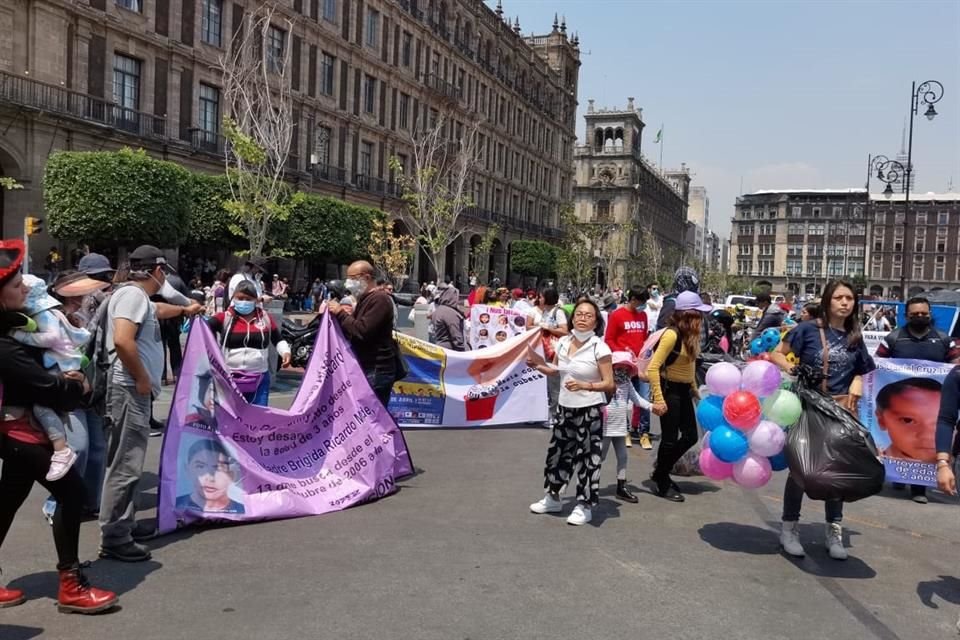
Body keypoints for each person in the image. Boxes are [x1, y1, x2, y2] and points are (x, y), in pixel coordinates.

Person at [0, 238, 118, 613]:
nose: (25, 288)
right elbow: (52, 389)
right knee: (72, 493)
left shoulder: (18, 329)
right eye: (17, 286)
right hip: (22, 431)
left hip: (20, 429)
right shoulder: (6, 342)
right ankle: (71, 585)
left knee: (6, 502)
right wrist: (74, 383)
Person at [99, 246, 204, 562]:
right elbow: (122, 339)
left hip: (132, 388)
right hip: (130, 388)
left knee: (127, 459)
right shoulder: (132, 297)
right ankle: (115, 536)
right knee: (126, 464)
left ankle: (124, 525)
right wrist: (143, 378)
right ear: (157, 271)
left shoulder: (136, 298)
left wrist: (185, 310)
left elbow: (156, 311)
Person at [769, 279, 875, 560]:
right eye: (839, 297)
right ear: (828, 300)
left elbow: (864, 370)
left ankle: (834, 531)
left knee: (836, 471)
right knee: (800, 470)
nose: (844, 303)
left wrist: (857, 383)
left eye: (850, 298)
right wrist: (795, 366)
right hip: (807, 409)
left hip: (840, 411)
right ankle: (789, 528)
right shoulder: (806, 329)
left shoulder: (855, 336)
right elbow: (776, 355)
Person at [526, 299, 615, 526]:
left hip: (590, 409)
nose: (583, 318)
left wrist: (586, 386)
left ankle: (584, 505)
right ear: (573, 317)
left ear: (596, 321)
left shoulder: (599, 347)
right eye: (579, 314)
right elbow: (556, 371)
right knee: (558, 454)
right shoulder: (563, 342)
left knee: (587, 458)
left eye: (588, 315)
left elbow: (609, 384)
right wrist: (537, 365)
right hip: (565, 408)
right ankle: (553, 496)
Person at [874, 296, 960, 503]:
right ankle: (897, 476)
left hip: (932, 401)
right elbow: (877, 364)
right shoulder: (893, 338)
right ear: (906, 316)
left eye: (924, 314)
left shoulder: (943, 339)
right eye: (915, 314)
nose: (920, 317)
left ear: (930, 315)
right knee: (906, 436)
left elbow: (956, 363)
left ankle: (918, 488)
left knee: (926, 439)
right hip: (902, 398)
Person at [10, 275, 96, 481]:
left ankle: (61, 449)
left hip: (61, 366)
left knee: (42, 407)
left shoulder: (44, 315)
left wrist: (20, 336)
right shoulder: (50, 313)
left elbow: (51, 337)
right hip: (62, 365)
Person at [648, 291, 711, 502]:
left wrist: (695, 391)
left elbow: (689, 367)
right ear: (688, 315)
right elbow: (653, 368)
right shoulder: (671, 335)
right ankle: (662, 479)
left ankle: (661, 471)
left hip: (683, 391)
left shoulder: (689, 337)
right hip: (669, 390)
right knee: (669, 439)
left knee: (690, 435)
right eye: (699, 315)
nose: (702, 319)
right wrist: (658, 398)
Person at [208, 280, 291, 406]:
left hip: (259, 379)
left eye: (248, 298)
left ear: (256, 300)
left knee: (258, 418)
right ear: (233, 298)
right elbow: (202, 329)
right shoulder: (224, 317)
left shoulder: (265, 318)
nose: (244, 302)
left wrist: (285, 352)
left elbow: (278, 339)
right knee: (230, 420)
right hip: (229, 379)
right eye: (240, 298)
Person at [327, 261, 397, 407]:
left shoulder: (380, 299)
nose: (348, 283)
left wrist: (341, 313)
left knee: (373, 417)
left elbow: (362, 330)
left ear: (365, 277)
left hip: (376, 368)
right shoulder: (365, 300)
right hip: (366, 366)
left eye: (352, 278)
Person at [604, 286, 652, 449]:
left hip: (640, 364)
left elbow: (644, 338)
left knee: (644, 397)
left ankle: (642, 431)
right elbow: (609, 340)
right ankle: (623, 431)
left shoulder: (643, 315)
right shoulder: (617, 315)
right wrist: (622, 352)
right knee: (622, 398)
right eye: (641, 302)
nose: (643, 305)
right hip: (622, 365)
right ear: (632, 300)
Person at [603, 352, 652, 503]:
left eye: (626, 367)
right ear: (613, 367)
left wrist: (652, 407)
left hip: (620, 427)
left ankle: (621, 487)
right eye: (619, 366)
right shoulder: (605, 381)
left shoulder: (627, 383)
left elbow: (637, 399)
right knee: (599, 457)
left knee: (623, 457)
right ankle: (589, 484)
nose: (623, 369)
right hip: (604, 428)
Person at [527, 288, 569, 425]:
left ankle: (554, 416)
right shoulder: (545, 312)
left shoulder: (558, 312)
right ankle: (545, 414)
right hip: (544, 351)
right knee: (546, 386)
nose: (539, 299)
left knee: (554, 386)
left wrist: (548, 328)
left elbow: (564, 331)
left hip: (554, 352)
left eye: (542, 297)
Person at [875, 378, 941, 461]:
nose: (927, 436)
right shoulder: (868, 467)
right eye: (908, 420)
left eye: (941, 422)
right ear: (881, 420)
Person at [176, 439, 245, 514]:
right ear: (187, 470)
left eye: (219, 468)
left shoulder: (243, 512)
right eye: (201, 467)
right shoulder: (175, 506)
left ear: (231, 475)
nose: (210, 478)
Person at [432, 285, 465, 351]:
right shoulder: (450, 313)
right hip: (450, 350)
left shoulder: (438, 310)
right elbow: (456, 335)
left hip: (439, 345)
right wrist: (462, 350)